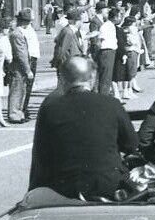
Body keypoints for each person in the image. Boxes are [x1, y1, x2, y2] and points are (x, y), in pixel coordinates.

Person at [27, 56, 139, 200]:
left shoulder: (50, 108)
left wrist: (33, 194)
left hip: (63, 188)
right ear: (92, 77)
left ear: (62, 79)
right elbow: (132, 145)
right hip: (107, 186)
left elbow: (40, 156)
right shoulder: (111, 104)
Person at [7, 11, 34, 123]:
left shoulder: (15, 33)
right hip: (18, 66)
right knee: (17, 90)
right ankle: (14, 114)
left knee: (20, 89)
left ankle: (18, 113)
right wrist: (28, 70)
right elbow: (21, 53)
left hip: (17, 65)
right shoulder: (17, 34)